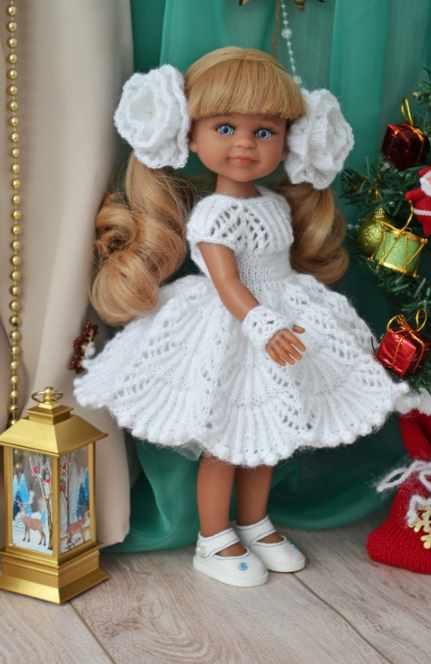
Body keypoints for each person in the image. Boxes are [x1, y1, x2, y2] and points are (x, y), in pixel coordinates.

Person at [74, 47, 409, 588]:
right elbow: (227, 281)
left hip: (284, 310)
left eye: (264, 132)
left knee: (265, 439)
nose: (245, 145)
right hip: (233, 327)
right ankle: (213, 537)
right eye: (226, 128)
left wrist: (283, 317)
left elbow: (275, 266)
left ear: (288, 139)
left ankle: (254, 521)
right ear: (191, 136)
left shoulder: (274, 204)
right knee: (225, 445)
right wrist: (262, 324)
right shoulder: (213, 213)